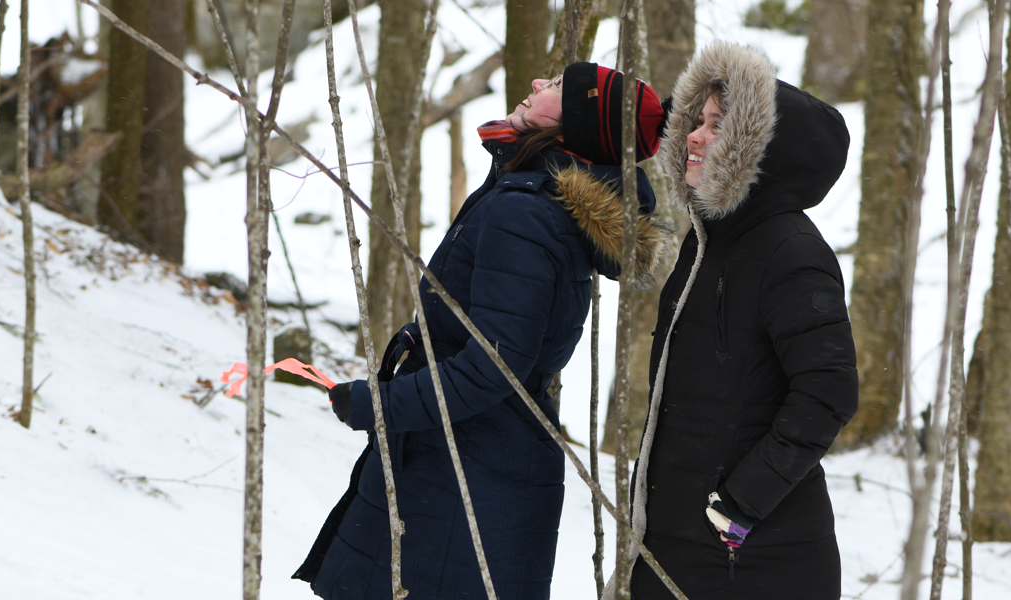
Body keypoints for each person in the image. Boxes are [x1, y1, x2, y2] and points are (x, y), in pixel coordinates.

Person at [293, 62, 671, 600]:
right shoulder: (530, 196)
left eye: (558, 87)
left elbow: (492, 368)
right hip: (466, 459)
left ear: (577, 128)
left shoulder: (527, 215)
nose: (537, 83)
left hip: (463, 473)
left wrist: (378, 404)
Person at [619, 42, 858, 599]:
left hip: (753, 557)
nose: (695, 138)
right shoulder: (709, 242)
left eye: (717, 126)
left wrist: (738, 506)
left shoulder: (792, 250)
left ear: (759, 149)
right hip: (678, 541)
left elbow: (828, 391)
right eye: (697, 122)